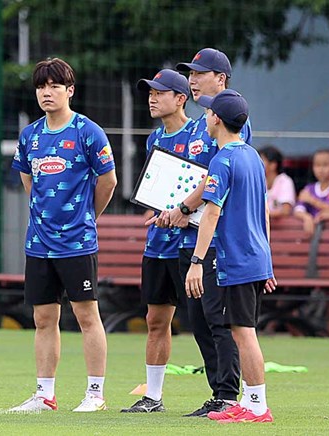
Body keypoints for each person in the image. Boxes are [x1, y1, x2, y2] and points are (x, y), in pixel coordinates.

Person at [9, 58, 117, 413]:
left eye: (55, 86)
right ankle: (44, 395)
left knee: (86, 316)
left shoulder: (88, 132)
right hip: (38, 243)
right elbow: (28, 179)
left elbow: (109, 181)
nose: (47, 92)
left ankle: (95, 394)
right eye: (41, 86)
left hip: (77, 242)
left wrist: (87, 216)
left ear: (69, 90)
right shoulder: (30, 135)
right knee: (43, 319)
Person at [156, 48, 252, 417]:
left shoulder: (232, 119)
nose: (192, 80)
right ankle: (219, 393)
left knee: (219, 320)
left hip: (215, 238)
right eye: (190, 74)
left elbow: (215, 180)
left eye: (199, 73)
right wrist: (166, 207)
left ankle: (230, 395)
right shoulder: (199, 123)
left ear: (221, 79)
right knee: (198, 320)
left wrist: (182, 208)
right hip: (190, 236)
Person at [186, 89, 276, 423]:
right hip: (255, 257)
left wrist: (196, 262)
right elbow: (262, 211)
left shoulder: (222, 160)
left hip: (237, 260)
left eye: (209, 112)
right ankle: (250, 402)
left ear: (217, 119)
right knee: (243, 330)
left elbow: (210, 213)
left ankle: (256, 406)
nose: (206, 117)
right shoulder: (253, 156)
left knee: (243, 332)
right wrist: (267, 261)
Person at [120, 69, 193, 413]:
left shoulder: (200, 134)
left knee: (209, 324)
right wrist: (157, 210)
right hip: (158, 244)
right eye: (150, 93)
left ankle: (225, 395)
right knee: (155, 320)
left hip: (192, 246)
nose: (152, 98)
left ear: (180, 99)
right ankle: (153, 397)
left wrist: (183, 211)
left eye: (159, 93)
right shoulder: (154, 139)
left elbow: (208, 185)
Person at [294, 149, 329, 236]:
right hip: (314, 237)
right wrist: (306, 217)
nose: (321, 169)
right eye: (317, 165)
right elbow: (298, 210)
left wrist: (311, 200)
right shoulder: (309, 188)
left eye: (325, 165)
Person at [258, 145, 296, 218]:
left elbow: (286, 211)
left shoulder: (285, 181)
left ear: (273, 165)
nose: (257, 164)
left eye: (261, 161)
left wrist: (262, 215)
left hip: (281, 225)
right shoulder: (258, 181)